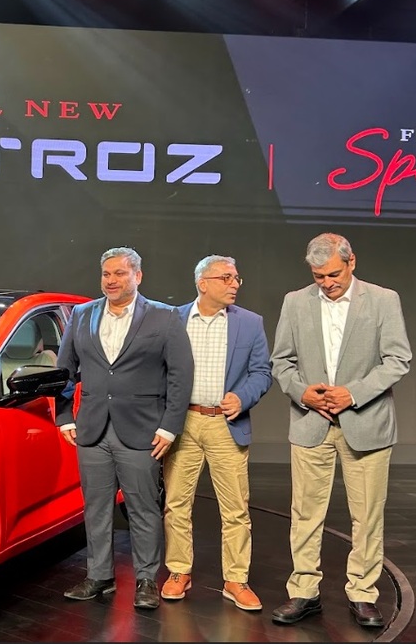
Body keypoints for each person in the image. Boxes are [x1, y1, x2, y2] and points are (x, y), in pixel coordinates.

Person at [269, 233, 412, 629]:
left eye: (334, 274)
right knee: (305, 514)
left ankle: (363, 593)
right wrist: (302, 392)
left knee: (367, 516)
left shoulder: (383, 300)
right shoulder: (295, 302)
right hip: (311, 422)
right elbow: (281, 361)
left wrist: (353, 393)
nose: (327, 283)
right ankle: (304, 591)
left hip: (366, 422)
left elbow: (398, 359)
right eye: (319, 276)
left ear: (352, 262)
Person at [56, 247, 194, 610]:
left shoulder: (164, 317)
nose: (111, 280)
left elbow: (180, 376)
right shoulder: (83, 314)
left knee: (143, 509)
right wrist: (64, 415)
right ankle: (99, 575)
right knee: (96, 508)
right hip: (92, 429)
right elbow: (64, 370)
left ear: (138, 276)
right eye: (106, 274)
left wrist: (170, 427)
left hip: (143, 430)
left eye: (119, 273)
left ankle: (146, 579)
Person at [160, 255, 272, 611]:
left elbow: (262, 372)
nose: (234, 284)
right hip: (183, 423)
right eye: (226, 277)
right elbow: (158, 369)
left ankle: (236, 580)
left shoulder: (250, 323)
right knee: (176, 504)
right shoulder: (173, 319)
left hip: (226, 424)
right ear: (202, 283)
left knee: (235, 508)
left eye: (236, 278)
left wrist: (243, 396)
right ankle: (179, 571)